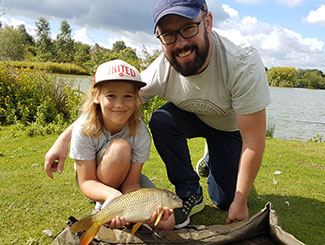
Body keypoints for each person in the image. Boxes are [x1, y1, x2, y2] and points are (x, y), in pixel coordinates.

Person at [45, 0, 271, 229]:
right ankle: (190, 191)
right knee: (161, 120)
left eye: (188, 28)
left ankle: (212, 158)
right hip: (192, 117)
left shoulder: (242, 61)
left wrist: (240, 201)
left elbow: (253, 140)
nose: (180, 43)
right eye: (168, 35)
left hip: (228, 128)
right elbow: (111, 103)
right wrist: (63, 140)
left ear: (208, 22)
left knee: (225, 200)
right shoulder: (161, 70)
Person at [67, 59, 175, 230]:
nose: (120, 104)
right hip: (94, 180)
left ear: (137, 98)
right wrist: (112, 195)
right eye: (111, 96)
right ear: (96, 96)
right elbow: (86, 181)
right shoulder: (84, 128)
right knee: (120, 148)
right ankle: (101, 208)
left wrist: (144, 212)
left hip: (126, 180)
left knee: (167, 222)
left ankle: (121, 214)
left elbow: (131, 184)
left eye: (128, 96)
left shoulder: (141, 133)